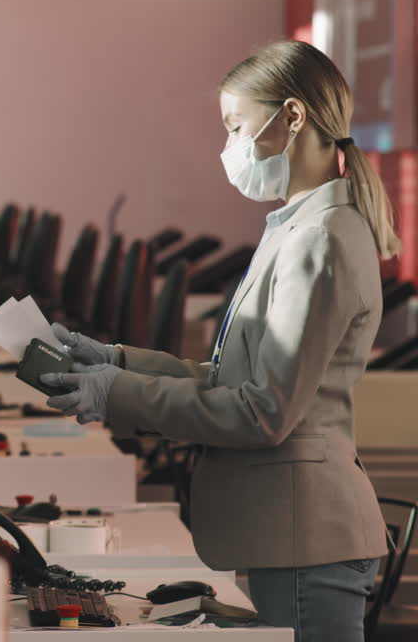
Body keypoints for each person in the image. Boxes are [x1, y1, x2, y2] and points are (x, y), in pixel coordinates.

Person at [43, 40, 393, 642]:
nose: (229, 146)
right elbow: (231, 378)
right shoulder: (298, 227)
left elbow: (263, 413)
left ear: (292, 116)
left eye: (236, 126)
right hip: (287, 530)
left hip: (306, 534)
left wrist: (120, 395)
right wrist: (118, 363)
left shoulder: (321, 239)